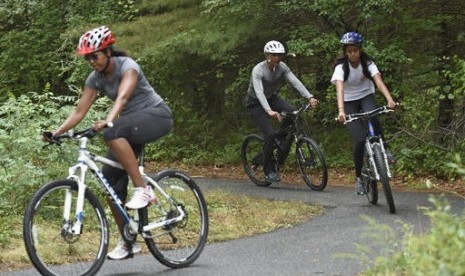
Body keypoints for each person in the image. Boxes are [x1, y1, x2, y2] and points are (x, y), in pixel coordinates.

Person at [42, 26, 173, 259]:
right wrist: (56, 132)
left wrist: (109, 120)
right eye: (88, 58)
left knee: (112, 133)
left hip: (156, 116)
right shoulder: (95, 79)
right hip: (129, 125)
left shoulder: (128, 66)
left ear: (108, 52)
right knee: (110, 181)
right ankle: (128, 239)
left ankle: (143, 188)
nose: (92, 61)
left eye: (96, 55)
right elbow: (79, 111)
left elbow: (122, 97)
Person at [331, 31, 396, 195]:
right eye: (349, 51)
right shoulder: (341, 68)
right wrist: (341, 111)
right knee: (360, 139)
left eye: (355, 50)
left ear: (360, 50)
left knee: (373, 115)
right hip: (349, 103)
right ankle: (358, 177)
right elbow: (339, 88)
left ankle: (385, 150)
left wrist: (389, 100)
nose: (352, 54)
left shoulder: (368, 63)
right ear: (345, 52)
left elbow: (379, 82)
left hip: (366, 96)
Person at [245, 40, 319, 183]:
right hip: (255, 103)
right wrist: (269, 111)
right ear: (267, 55)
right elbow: (259, 93)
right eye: (274, 55)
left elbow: (295, 81)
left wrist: (309, 97)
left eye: (279, 55)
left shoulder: (282, 67)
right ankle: (268, 170)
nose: (277, 58)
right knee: (269, 133)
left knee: (292, 111)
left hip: (271, 98)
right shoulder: (258, 70)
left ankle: (279, 140)